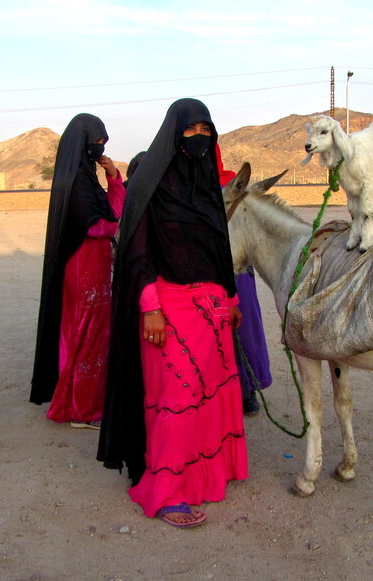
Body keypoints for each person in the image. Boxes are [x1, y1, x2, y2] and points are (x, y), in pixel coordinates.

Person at [98, 98, 248, 528]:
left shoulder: (205, 189)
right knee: (177, 399)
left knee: (213, 395)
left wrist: (232, 301)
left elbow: (220, 249)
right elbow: (138, 251)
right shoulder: (149, 184)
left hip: (214, 309)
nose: (199, 139)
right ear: (173, 134)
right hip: (169, 309)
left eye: (206, 131)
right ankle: (167, 493)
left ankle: (208, 475)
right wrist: (150, 309)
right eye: (191, 131)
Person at [30, 114, 125, 429]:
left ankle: (79, 402)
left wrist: (113, 179)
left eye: (103, 143)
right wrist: (115, 227)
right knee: (88, 335)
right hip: (84, 267)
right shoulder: (77, 182)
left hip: (91, 267)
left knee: (87, 333)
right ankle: (84, 409)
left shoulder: (86, 178)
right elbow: (98, 224)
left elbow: (112, 211)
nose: (100, 148)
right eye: (96, 142)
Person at [214, 144, 272, 415]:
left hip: (233, 267)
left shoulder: (227, 183)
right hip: (213, 268)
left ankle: (246, 391)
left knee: (239, 330)